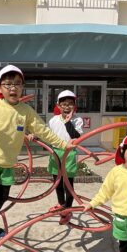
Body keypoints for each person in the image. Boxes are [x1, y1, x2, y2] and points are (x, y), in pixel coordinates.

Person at [0, 64, 76, 250]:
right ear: (0, 88)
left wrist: (63, 144)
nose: (13, 88)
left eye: (17, 84)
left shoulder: (25, 110)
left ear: (22, 88)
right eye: (8, 84)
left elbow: (42, 130)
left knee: (3, 196)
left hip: (8, 163)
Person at [46, 90, 83, 225]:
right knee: (57, 182)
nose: (67, 107)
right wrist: (35, 136)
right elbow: (47, 134)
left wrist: (68, 123)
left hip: (70, 153)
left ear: (74, 105)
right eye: (64, 104)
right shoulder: (53, 120)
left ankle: (68, 210)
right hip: (55, 152)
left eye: (70, 104)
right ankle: (62, 204)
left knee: (68, 184)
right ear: (58, 105)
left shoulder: (77, 120)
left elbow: (76, 137)